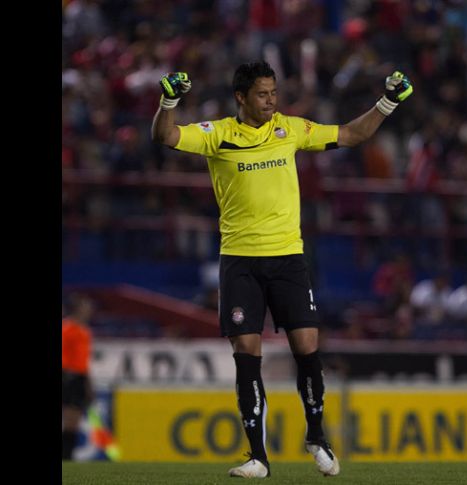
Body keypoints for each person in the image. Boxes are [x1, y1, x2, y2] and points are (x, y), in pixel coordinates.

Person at [151, 62, 413, 478]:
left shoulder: (290, 129)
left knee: (307, 348)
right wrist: (169, 101)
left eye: (274, 93)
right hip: (239, 260)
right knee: (246, 354)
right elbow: (164, 135)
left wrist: (388, 102)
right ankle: (258, 456)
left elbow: (350, 134)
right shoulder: (218, 134)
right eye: (262, 94)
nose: (271, 101)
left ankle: (316, 436)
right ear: (241, 97)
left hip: (288, 257)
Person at [62, 294, 95, 460]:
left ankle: (67, 457)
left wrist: (88, 385)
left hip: (80, 378)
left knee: (73, 422)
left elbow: (84, 362)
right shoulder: (66, 329)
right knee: (69, 419)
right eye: (86, 307)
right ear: (77, 309)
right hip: (67, 377)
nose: (89, 310)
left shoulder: (86, 332)